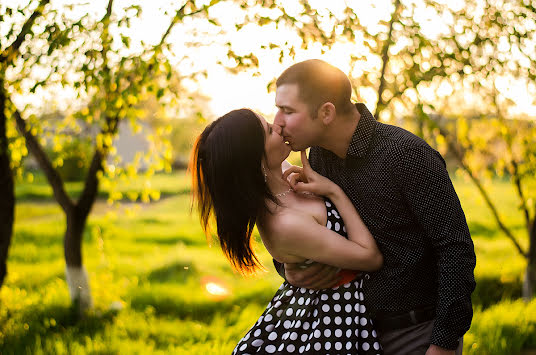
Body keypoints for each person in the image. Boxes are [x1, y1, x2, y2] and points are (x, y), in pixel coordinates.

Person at [272, 59, 476, 355]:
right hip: (349, 333)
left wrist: (443, 342)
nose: (277, 121)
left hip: (416, 335)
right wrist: (288, 270)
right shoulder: (317, 160)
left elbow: (454, 248)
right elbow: (308, 236)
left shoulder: (406, 155)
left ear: (326, 112)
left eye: (287, 111)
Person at [189, 108, 384, 354]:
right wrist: (334, 192)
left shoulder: (282, 175)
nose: (279, 126)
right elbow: (370, 258)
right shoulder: (284, 222)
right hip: (328, 322)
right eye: (269, 130)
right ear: (256, 160)